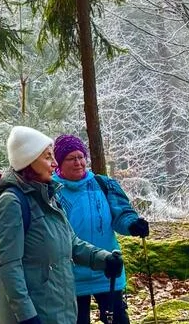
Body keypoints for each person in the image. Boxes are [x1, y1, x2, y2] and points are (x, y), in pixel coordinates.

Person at [0, 126, 121, 324]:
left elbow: (71, 242)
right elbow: (8, 266)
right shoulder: (12, 202)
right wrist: (27, 316)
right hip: (35, 315)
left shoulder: (49, 196)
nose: (54, 163)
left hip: (60, 310)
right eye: (47, 157)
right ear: (28, 161)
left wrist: (103, 259)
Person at [52, 134, 148, 324]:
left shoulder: (103, 184)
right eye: (71, 158)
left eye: (81, 157)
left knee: (117, 320)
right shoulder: (52, 190)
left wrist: (133, 224)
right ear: (59, 163)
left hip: (108, 269)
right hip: (70, 275)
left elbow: (121, 213)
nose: (78, 162)